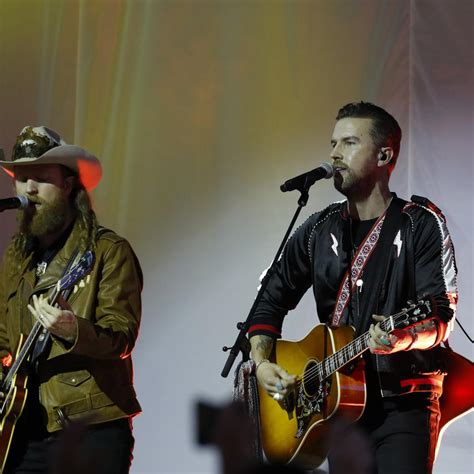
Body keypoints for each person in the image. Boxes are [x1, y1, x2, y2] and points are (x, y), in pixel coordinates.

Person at [247, 102, 457, 474]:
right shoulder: (317, 228)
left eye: (348, 142)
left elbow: (439, 316)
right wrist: (262, 364)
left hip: (404, 405)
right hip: (339, 407)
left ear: (384, 155)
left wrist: (400, 339)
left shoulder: (420, 224)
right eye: (333, 143)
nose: (334, 154)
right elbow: (269, 300)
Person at [0, 126, 142, 473]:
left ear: (67, 184)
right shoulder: (17, 258)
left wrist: (72, 328)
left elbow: (120, 336)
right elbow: (3, 336)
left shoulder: (108, 251)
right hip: (23, 430)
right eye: (21, 178)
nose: (28, 189)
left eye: (40, 178)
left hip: (89, 425)